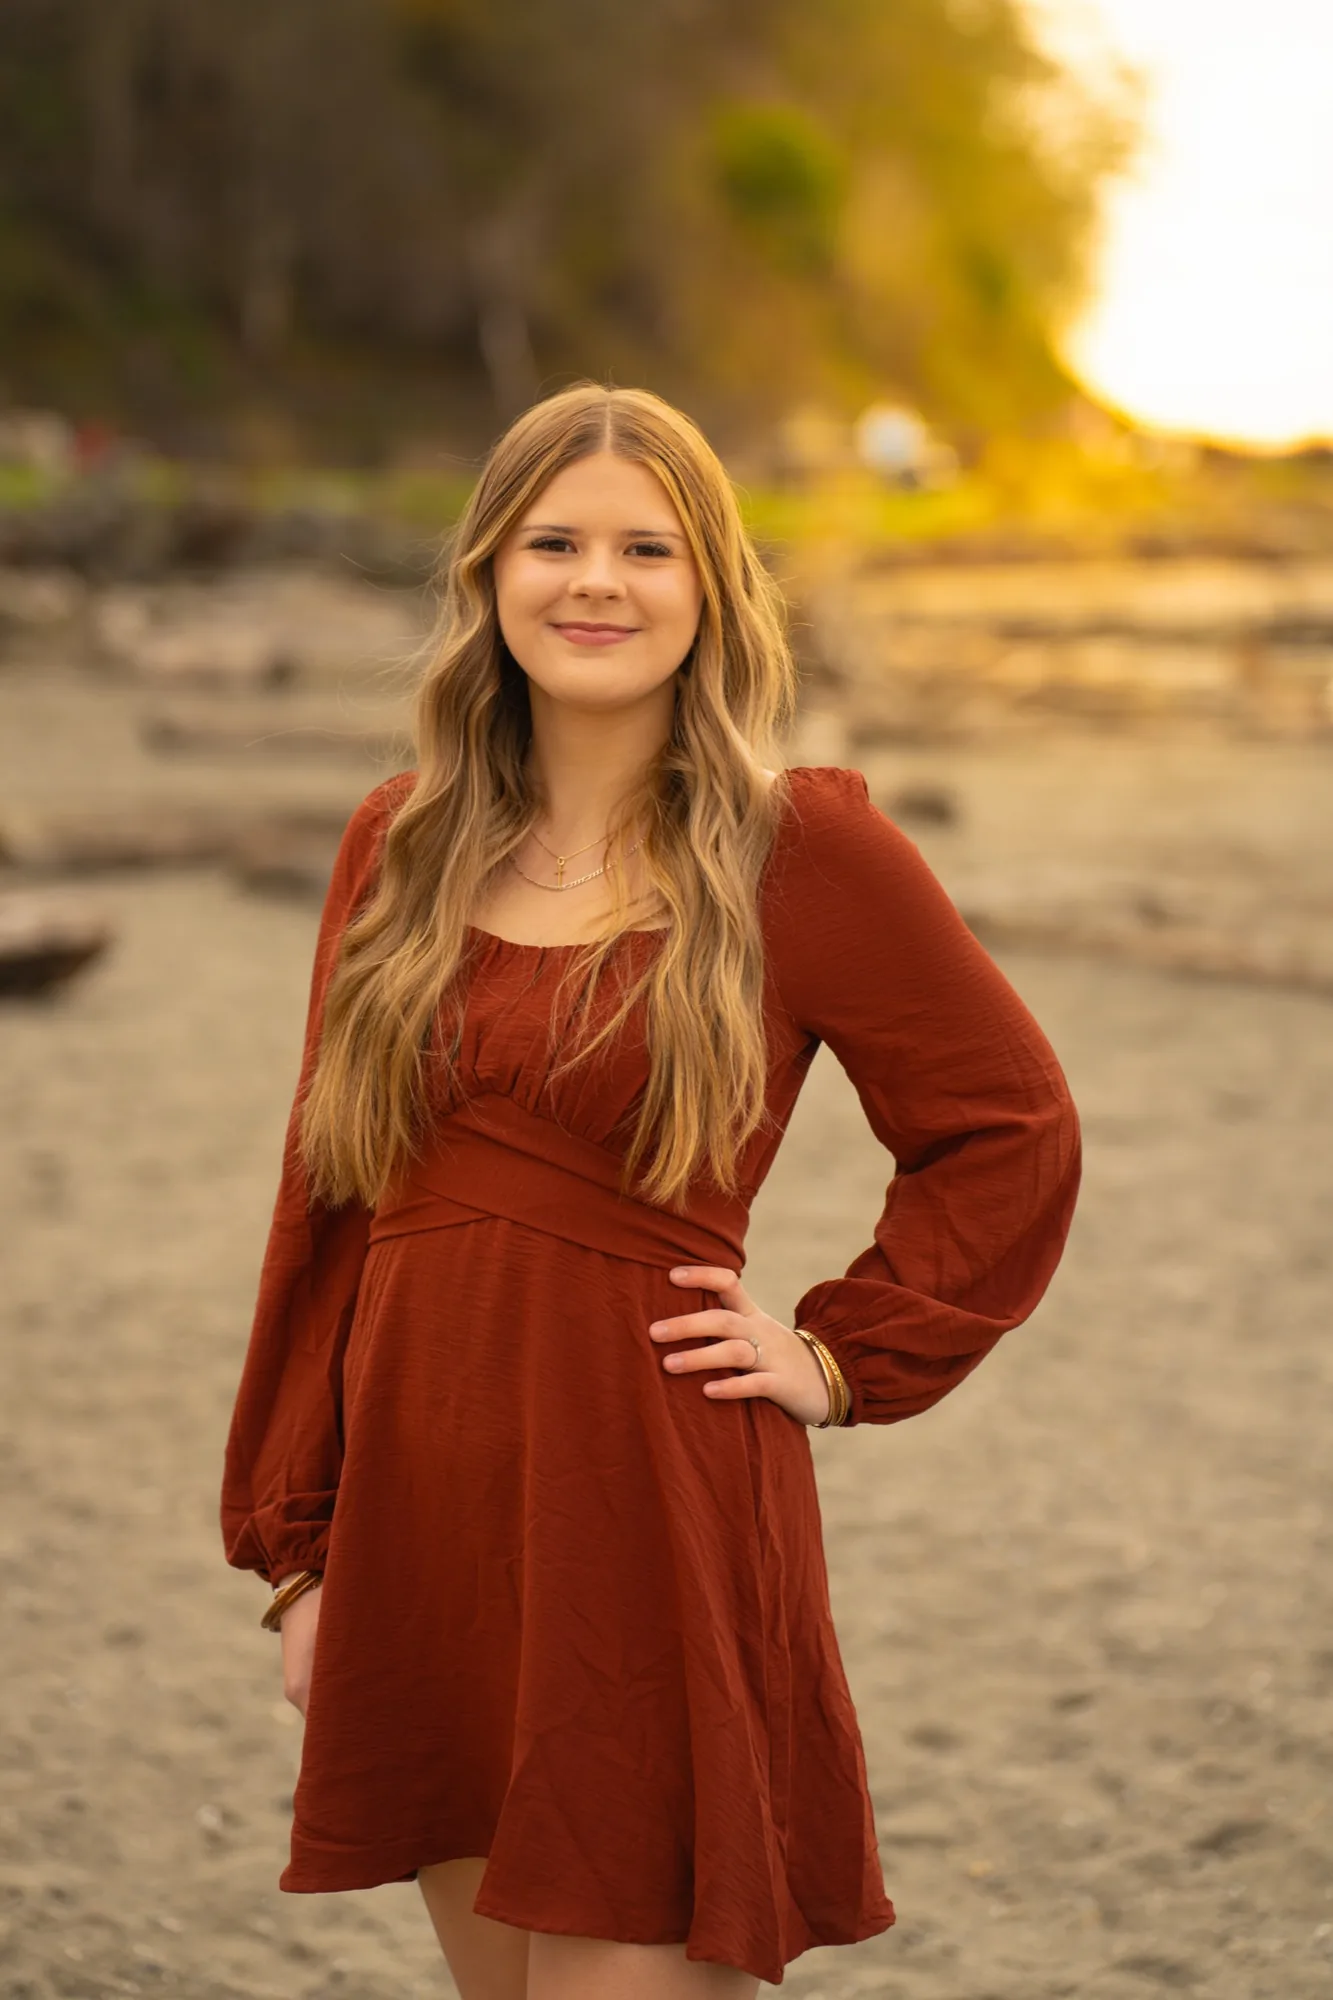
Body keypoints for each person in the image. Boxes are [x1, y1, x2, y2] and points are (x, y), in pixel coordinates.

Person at [220, 382, 1081, 2000]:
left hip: (650, 1509)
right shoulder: (397, 847)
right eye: (552, 542)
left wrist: (838, 1356)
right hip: (426, 1526)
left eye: (644, 547)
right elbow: (325, 1209)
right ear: (488, 574)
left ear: (710, 591)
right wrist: (304, 1554)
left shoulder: (796, 850)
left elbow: (1009, 1125)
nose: (593, 582)